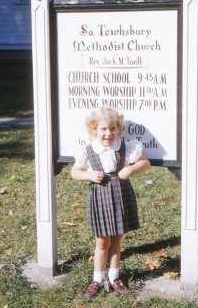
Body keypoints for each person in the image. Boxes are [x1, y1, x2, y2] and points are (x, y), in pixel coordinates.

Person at [71, 107, 150, 300]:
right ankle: (97, 278)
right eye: (103, 129)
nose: (108, 133)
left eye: (113, 129)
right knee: (102, 240)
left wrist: (130, 170)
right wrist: (88, 175)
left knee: (117, 238)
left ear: (118, 129)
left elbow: (145, 163)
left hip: (121, 194)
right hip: (100, 197)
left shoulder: (126, 147)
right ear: (94, 129)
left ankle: (114, 276)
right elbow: (75, 172)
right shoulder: (88, 151)